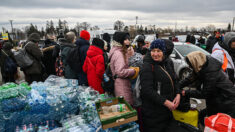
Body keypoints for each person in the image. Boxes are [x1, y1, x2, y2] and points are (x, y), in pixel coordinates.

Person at [140, 39, 180, 132]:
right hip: (153, 113)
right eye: (153, 51)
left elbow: (175, 79)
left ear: (163, 51)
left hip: (166, 111)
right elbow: (147, 90)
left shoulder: (167, 63)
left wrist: (178, 94)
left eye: (158, 51)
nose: (155, 54)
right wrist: (166, 102)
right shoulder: (147, 66)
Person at [180, 51, 235, 118]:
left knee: (218, 123)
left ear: (196, 62)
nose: (189, 66)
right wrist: (178, 85)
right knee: (204, 116)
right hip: (217, 99)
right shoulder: (204, 64)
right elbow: (190, 78)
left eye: (190, 64)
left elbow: (205, 93)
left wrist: (186, 92)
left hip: (226, 101)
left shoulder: (211, 73)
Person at [109, 32, 139, 105]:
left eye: (128, 39)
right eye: (125, 39)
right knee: (126, 106)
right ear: (120, 40)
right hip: (122, 85)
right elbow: (120, 71)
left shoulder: (117, 51)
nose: (128, 41)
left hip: (120, 83)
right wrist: (134, 71)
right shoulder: (119, 53)